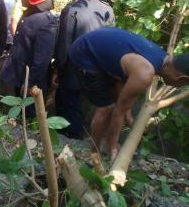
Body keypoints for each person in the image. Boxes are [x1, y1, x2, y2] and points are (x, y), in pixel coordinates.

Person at [69, 27, 189, 160]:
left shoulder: (160, 57)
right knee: (106, 107)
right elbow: (119, 111)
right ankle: (95, 151)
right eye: (184, 84)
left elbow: (123, 83)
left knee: (116, 104)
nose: (179, 86)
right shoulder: (144, 73)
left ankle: (104, 144)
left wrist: (129, 115)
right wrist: (113, 146)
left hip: (97, 48)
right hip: (84, 54)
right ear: (182, 79)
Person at [55, 0, 115, 139]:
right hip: (98, 69)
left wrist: (58, 68)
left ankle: (71, 138)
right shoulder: (108, 10)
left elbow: (63, 45)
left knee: (67, 102)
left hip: (74, 69)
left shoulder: (72, 10)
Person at [0, 0, 58, 118]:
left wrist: (30, 82)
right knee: (20, 116)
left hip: (31, 82)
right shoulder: (31, 13)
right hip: (19, 76)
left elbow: (42, 59)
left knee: (30, 118)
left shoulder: (46, 23)